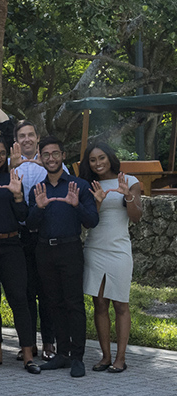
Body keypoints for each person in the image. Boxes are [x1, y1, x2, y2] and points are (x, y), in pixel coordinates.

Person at [26, 136, 98, 377]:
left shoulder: (79, 186)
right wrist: (39, 206)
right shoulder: (38, 189)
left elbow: (92, 221)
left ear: (63, 155)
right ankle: (62, 354)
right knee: (53, 302)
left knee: (74, 303)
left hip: (70, 249)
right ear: (40, 158)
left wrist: (76, 205)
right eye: (46, 155)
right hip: (44, 250)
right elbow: (30, 224)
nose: (51, 158)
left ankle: (77, 357)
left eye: (55, 153)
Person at [0, 138, 39, 373]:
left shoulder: (13, 178)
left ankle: (28, 356)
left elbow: (23, 215)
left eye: (2, 153)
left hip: (11, 244)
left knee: (19, 299)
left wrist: (18, 195)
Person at [79, 142, 141, 373]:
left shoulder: (130, 181)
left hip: (119, 250)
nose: (98, 163)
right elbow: (88, 221)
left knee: (121, 303)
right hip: (95, 248)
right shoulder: (88, 185)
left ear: (110, 158)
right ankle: (105, 356)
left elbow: (136, 217)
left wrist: (128, 197)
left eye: (101, 158)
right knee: (100, 303)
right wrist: (97, 201)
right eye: (92, 160)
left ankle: (120, 358)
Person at [11, 120, 56, 361]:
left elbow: (64, 184)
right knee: (24, 293)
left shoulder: (50, 162)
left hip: (44, 235)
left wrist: (46, 168)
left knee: (47, 292)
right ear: (16, 140)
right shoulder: (10, 164)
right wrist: (11, 166)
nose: (26, 139)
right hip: (19, 237)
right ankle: (27, 344)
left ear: (37, 138)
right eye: (21, 136)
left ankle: (49, 342)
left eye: (30, 135)